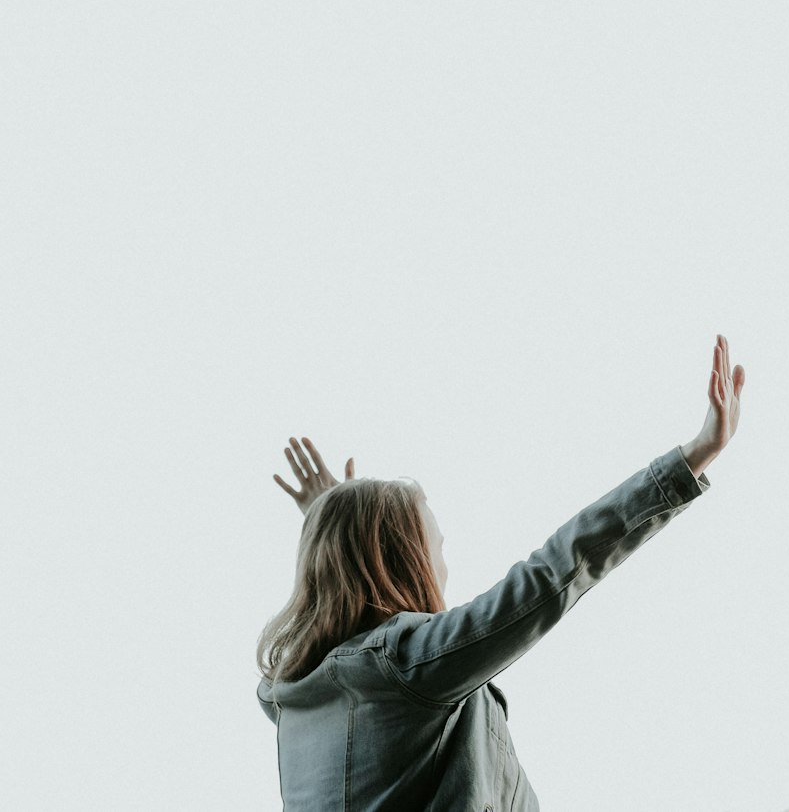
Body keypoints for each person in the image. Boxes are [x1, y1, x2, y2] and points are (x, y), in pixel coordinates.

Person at [256, 334, 746, 811]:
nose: (443, 567)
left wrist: (334, 522)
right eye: (436, 547)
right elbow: (558, 568)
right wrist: (693, 458)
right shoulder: (413, 666)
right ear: (403, 560)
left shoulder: (291, 699)